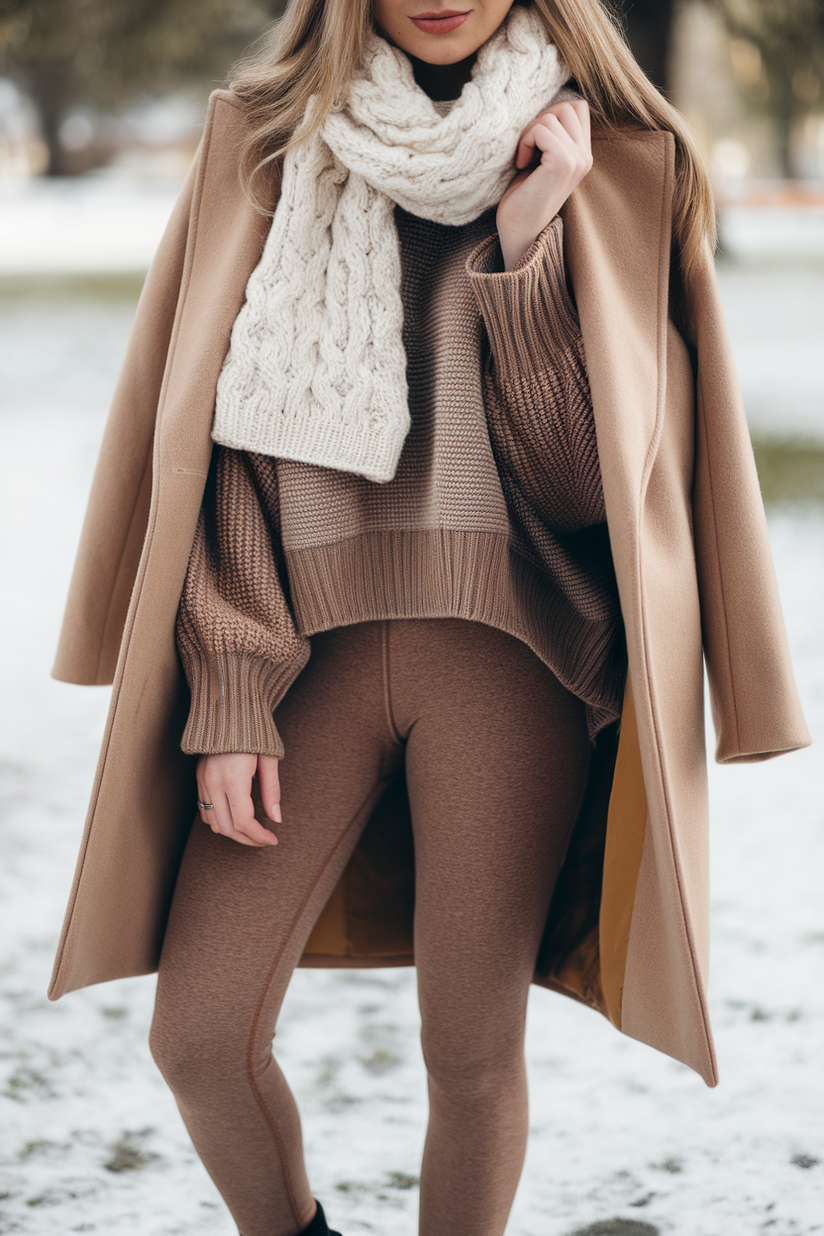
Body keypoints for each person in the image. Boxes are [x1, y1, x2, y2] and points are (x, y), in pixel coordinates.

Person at [47, 1, 810, 1235]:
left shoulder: (604, 159)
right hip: (304, 664)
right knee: (198, 1034)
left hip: (509, 666)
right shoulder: (261, 144)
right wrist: (232, 687)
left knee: (468, 1053)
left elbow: (584, 490)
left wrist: (524, 247)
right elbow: (217, 456)